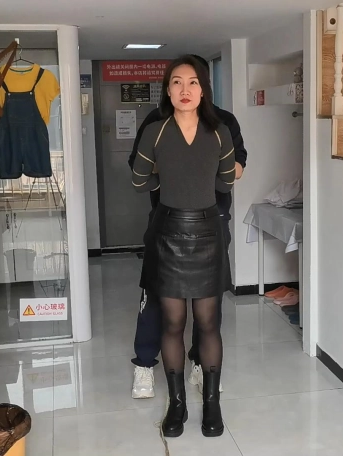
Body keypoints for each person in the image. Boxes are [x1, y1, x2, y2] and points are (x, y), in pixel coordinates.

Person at [128, 54, 247, 400]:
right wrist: (171, 173)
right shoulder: (156, 122)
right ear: (168, 88)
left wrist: (208, 168)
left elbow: (236, 167)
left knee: (207, 311)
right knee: (160, 304)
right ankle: (144, 363)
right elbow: (138, 170)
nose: (186, 89)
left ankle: (199, 364)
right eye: (178, 82)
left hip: (212, 222)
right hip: (166, 223)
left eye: (194, 81)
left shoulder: (223, 124)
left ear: (205, 87)